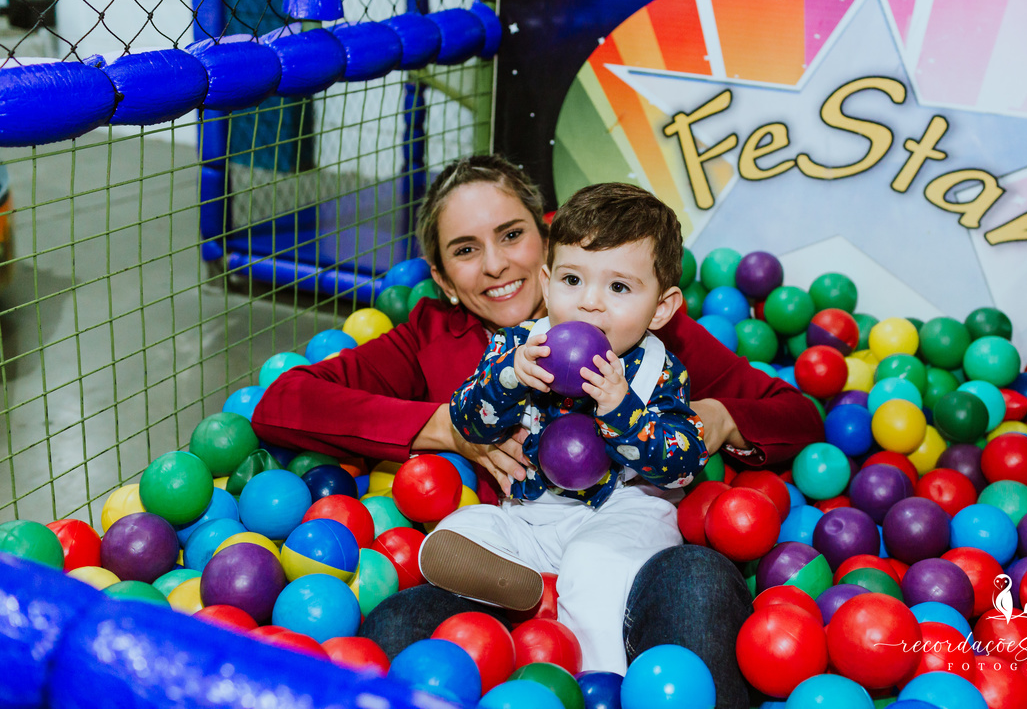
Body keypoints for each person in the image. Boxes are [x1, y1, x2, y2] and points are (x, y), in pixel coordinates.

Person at [251, 154, 823, 708]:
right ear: (444, 279)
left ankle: (604, 681)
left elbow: (794, 413)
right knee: (399, 618)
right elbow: (283, 401)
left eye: (510, 234)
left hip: (622, 553)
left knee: (697, 579)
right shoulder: (432, 337)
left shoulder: (638, 329)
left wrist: (718, 418)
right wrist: (444, 426)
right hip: (514, 554)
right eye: (466, 250)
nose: (496, 264)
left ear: (545, 236)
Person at [422, 182, 706, 673]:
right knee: (463, 528)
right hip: (534, 513)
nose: (590, 303)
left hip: (623, 512)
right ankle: (527, 582)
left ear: (661, 307)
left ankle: (596, 678)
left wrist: (621, 409)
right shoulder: (519, 345)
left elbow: (682, 465)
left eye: (619, 287)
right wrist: (509, 375)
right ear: (548, 281)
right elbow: (467, 418)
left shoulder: (657, 370)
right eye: (573, 281)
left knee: (594, 569)